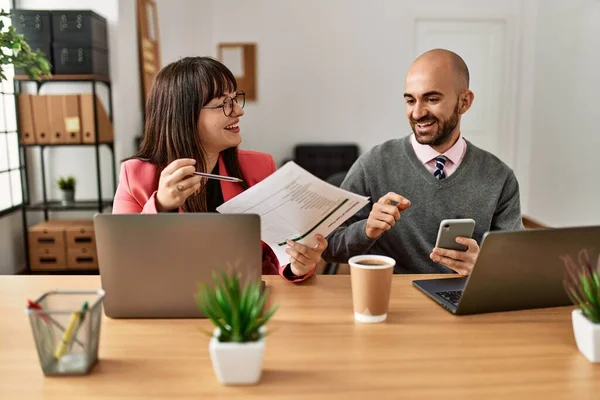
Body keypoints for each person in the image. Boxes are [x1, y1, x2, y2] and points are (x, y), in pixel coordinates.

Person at [113, 56, 327, 282]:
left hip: (241, 303)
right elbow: (123, 260)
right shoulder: (134, 175)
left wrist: (298, 265)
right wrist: (161, 206)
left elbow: (281, 252)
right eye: (223, 103)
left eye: (235, 99)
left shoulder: (260, 167)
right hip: (167, 300)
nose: (238, 111)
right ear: (184, 115)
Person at [323, 49, 522, 276]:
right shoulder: (373, 164)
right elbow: (329, 247)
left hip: (462, 302)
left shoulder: (499, 177)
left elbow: (515, 264)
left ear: (464, 102)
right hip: (394, 302)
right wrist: (367, 229)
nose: (417, 113)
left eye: (432, 99)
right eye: (410, 100)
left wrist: (486, 266)